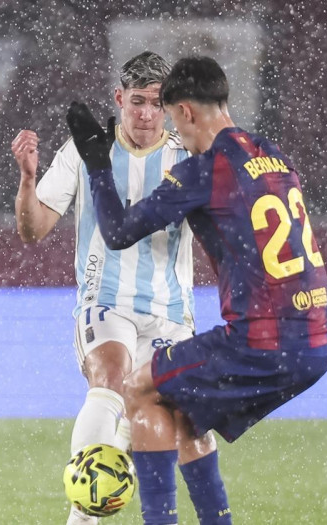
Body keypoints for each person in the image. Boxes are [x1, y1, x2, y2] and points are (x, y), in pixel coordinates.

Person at [67, 55, 327, 525]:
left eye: (172, 118)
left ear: (186, 112)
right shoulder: (270, 152)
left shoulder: (205, 168)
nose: (176, 134)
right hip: (321, 335)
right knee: (184, 409)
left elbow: (117, 231)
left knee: (141, 387)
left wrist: (96, 165)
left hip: (263, 338)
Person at [12, 51, 222, 525]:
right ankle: (85, 502)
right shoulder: (85, 149)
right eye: (136, 102)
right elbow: (33, 229)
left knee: (150, 424)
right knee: (109, 377)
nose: (146, 113)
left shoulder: (185, 156)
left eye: (155, 103)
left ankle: (83, 517)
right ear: (118, 99)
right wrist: (27, 181)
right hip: (105, 301)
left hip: (170, 313)